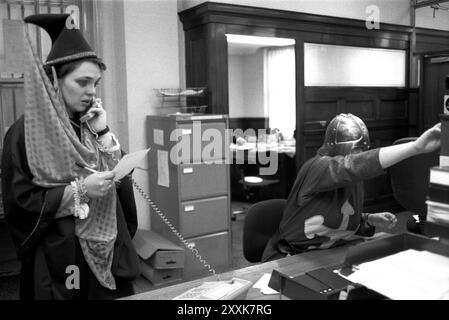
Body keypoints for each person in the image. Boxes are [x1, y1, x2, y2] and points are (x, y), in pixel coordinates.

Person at [1, 13, 140, 299]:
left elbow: (121, 173)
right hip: (61, 254)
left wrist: (103, 133)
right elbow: (21, 204)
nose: (91, 92)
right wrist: (79, 191)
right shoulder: (24, 133)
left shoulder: (89, 122)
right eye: (82, 82)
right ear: (55, 79)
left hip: (104, 242)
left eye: (96, 83)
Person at [261, 113, 441, 262]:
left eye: (362, 151)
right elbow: (353, 166)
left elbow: (334, 220)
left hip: (328, 256)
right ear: (336, 148)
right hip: (291, 258)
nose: (359, 156)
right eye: (355, 151)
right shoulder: (317, 168)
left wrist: (368, 219)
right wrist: (415, 148)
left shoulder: (352, 179)